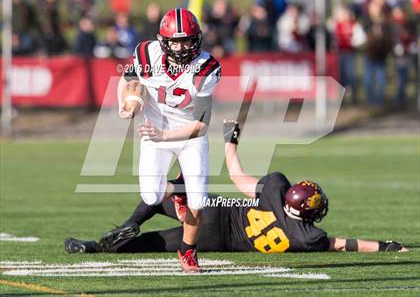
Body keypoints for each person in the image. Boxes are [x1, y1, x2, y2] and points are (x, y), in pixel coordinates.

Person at [65, 121, 408, 256]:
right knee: (149, 246)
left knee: (162, 192)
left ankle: (132, 220)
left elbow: (237, 176)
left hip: (221, 206)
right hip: (221, 238)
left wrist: (231, 141)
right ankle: (96, 247)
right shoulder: (308, 237)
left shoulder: (275, 187)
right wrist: (388, 246)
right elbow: (343, 244)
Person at [116, 8, 221, 273]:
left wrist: (163, 136)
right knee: (150, 195)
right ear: (163, 41)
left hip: (188, 134)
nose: (182, 46)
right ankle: (178, 189)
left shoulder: (206, 68)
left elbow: (201, 126)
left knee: (198, 202)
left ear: (197, 39)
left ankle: (188, 251)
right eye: (175, 40)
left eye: (187, 40)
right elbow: (127, 78)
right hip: (156, 126)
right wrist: (125, 105)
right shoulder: (146, 54)